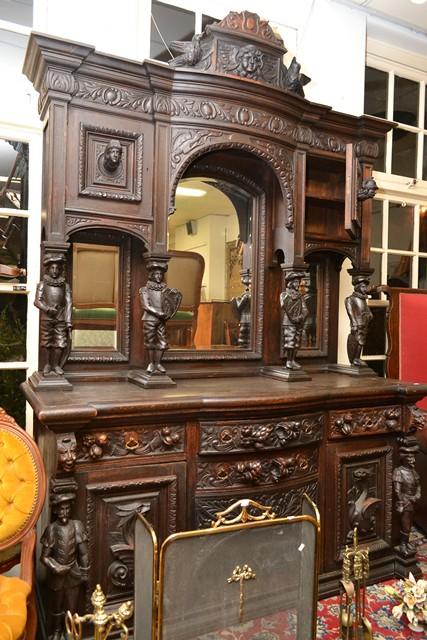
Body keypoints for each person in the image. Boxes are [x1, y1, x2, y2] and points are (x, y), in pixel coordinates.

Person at [40, 493, 89, 640]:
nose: (65, 512)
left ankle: (69, 630)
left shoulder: (77, 526)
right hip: (57, 575)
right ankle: (56, 631)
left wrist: (85, 571)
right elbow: (44, 557)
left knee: (71, 606)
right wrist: (55, 568)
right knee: (56, 606)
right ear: (56, 511)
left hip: (73, 572)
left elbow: (83, 553)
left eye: (67, 509)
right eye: (61, 509)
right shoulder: (52, 529)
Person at [139, 258, 182, 375]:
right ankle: (151, 363)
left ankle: (158, 363)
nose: (159, 276)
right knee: (150, 342)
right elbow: (146, 306)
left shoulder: (165, 290)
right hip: (150, 319)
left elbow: (169, 304)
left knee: (163, 342)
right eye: (156, 274)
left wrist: (173, 297)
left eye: (161, 274)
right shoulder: (144, 290)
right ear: (151, 275)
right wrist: (157, 313)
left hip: (162, 320)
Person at [34, 254, 72, 376]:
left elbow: (69, 303)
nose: (55, 271)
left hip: (60, 318)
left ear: (60, 270)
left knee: (60, 342)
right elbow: (37, 301)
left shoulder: (65, 286)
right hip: (46, 318)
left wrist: (68, 321)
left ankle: (56, 365)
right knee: (46, 341)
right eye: (52, 268)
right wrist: (48, 309)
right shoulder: (42, 285)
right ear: (48, 269)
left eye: (57, 268)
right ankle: (47, 364)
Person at [393, 446, 421, 556]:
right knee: (406, 525)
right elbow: (397, 491)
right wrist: (407, 499)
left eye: (413, 458)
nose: (413, 460)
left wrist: (417, 495)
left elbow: (418, 486)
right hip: (405, 503)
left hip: (413, 502)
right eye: (410, 458)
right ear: (404, 459)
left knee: (410, 522)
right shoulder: (399, 471)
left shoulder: (413, 472)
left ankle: (406, 541)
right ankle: (403, 544)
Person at [280, 271, 309, 370]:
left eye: (298, 282)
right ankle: (288, 361)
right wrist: (293, 318)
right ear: (290, 283)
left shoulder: (300, 296)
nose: (298, 284)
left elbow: (305, 310)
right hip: (289, 323)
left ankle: (292, 360)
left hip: (298, 323)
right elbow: (284, 306)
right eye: (296, 282)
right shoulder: (284, 295)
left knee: (296, 343)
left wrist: (300, 317)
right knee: (290, 342)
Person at [345, 275, 373, 367]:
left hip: (364, 323)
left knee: (362, 342)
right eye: (363, 286)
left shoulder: (363, 299)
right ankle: (355, 358)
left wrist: (369, 315)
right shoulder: (351, 299)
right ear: (357, 287)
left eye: (365, 287)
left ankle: (357, 358)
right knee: (358, 341)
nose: (365, 289)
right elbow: (351, 313)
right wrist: (354, 324)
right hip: (357, 324)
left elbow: (367, 310)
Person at [232, 270, 251, 348]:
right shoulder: (249, 295)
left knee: (243, 334)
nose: (247, 288)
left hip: (245, 318)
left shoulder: (246, 296)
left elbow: (239, 306)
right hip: (249, 317)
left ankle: (243, 346)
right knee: (247, 335)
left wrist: (236, 300)